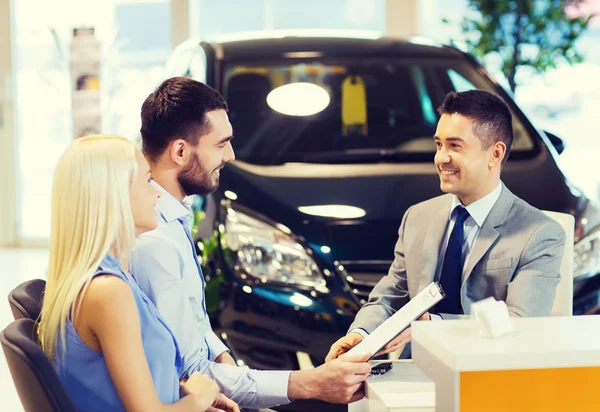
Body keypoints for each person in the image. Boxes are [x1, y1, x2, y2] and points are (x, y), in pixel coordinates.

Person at [130, 77, 372, 410]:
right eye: (221, 144)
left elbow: (196, 326)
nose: (230, 155)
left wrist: (225, 359)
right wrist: (313, 383)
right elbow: (192, 375)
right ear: (181, 151)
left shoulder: (174, 216)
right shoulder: (153, 243)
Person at [326, 89, 567, 361]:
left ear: (495, 154)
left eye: (455, 146)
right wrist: (361, 334)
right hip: (414, 370)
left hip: (489, 374)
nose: (441, 158)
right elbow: (389, 296)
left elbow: (520, 325)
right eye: (438, 144)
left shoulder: (539, 234)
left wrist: (436, 327)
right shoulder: (417, 217)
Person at [38, 135, 239, 412]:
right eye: (147, 181)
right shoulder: (107, 291)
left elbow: (128, 383)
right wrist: (198, 398)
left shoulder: (112, 275)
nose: (156, 193)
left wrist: (185, 395)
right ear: (115, 195)